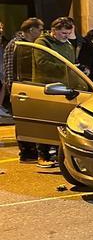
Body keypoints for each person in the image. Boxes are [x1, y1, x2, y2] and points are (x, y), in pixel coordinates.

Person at [34, 17, 76, 168]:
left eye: (68, 33)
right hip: (46, 87)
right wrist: (66, 68)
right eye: (63, 33)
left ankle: (57, 152)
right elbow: (42, 64)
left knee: (61, 121)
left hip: (64, 87)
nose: (66, 36)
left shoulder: (68, 44)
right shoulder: (43, 43)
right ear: (53, 31)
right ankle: (42, 154)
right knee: (45, 120)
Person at [3, 18, 44, 162]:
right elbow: (9, 68)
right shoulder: (16, 44)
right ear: (31, 30)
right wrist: (12, 88)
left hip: (32, 87)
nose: (41, 32)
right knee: (23, 121)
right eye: (39, 29)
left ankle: (34, 150)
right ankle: (26, 152)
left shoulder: (34, 45)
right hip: (21, 89)